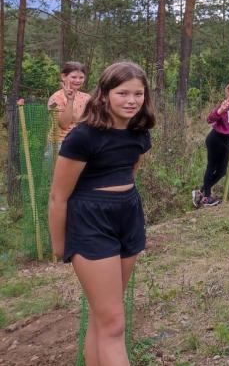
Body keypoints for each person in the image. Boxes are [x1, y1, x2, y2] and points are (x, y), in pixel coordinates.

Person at [48, 61, 155, 366]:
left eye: (138, 93)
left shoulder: (140, 133)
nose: (131, 100)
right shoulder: (83, 136)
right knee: (114, 324)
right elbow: (58, 196)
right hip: (91, 223)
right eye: (123, 93)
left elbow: (129, 173)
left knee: (103, 316)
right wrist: (60, 244)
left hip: (128, 218)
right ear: (105, 93)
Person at [192, 79, 229, 208]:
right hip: (215, 138)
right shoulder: (225, 105)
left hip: (226, 141)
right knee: (212, 166)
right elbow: (210, 119)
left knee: (222, 171)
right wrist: (220, 110)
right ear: (228, 91)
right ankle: (206, 197)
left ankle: (200, 191)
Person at [48, 61, 91, 147]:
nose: (78, 80)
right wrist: (70, 100)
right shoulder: (56, 98)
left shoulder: (87, 97)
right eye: (74, 77)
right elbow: (64, 125)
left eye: (81, 77)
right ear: (63, 76)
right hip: (61, 144)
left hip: (83, 142)